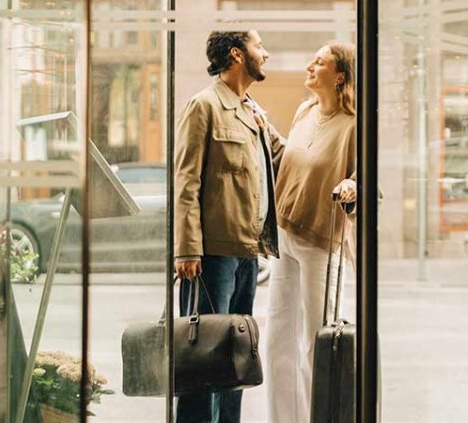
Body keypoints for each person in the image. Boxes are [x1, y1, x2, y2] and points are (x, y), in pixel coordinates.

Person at [173, 30, 285, 423]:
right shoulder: (204, 106)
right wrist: (186, 248)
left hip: (246, 253)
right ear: (237, 54)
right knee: (201, 355)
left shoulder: (251, 111)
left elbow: (285, 158)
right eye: (259, 46)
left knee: (236, 357)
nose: (265, 53)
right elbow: (186, 180)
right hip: (212, 256)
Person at [265, 41, 357, 423]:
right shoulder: (304, 111)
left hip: (321, 239)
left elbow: (366, 176)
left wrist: (354, 185)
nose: (309, 65)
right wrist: (263, 127)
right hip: (285, 234)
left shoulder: (354, 126)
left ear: (339, 76)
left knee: (316, 345)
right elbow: (293, 158)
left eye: (318, 62)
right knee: (276, 341)